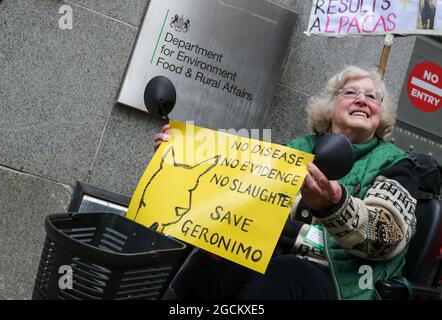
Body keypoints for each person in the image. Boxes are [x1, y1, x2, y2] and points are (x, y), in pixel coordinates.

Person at [153, 66, 419, 300]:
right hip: (271, 259)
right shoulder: (296, 150)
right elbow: (235, 189)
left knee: (290, 272)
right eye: (350, 93)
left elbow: (387, 235)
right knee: (216, 258)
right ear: (329, 107)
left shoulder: (395, 163)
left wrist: (335, 206)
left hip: (343, 283)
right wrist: (183, 160)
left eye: (372, 96)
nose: (362, 99)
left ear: (380, 113)